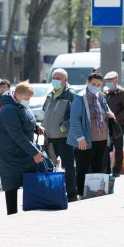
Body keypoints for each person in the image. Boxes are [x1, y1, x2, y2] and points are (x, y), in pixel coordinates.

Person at [0, 82, 45, 214]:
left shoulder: (19, 105)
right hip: (10, 153)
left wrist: (36, 128)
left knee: (28, 181)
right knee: (11, 184)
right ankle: (12, 215)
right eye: (26, 98)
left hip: (22, 151)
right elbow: (17, 135)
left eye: (29, 99)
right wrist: (35, 152)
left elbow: (26, 121)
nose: (28, 102)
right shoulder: (8, 110)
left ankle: (29, 210)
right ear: (17, 95)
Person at [67, 73, 115, 198]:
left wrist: (110, 113)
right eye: (93, 84)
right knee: (82, 168)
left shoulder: (101, 97)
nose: (96, 87)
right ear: (88, 83)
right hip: (87, 140)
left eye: (99, 85)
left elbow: (106, 110)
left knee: (98, 167)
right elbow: (74, 120)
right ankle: (82, 194)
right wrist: (80, 138)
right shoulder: (80, 98)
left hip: (102, 139)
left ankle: (95, 193)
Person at [41, 69, 78, 202]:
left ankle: (72, 194)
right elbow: (46, 112)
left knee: (68, 167)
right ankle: (50, 194)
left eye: (58, 78)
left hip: (65, 138)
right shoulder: (50, 94)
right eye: (54, 77)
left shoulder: (71, 95)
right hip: (50, 137)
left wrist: (64, 127)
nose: (55, 80)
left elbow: (75, 115)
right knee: (49, 167)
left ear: (65, 80)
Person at [103, 71, 124, 176]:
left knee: (118, 146)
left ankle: (117, 169)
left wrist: (115, 116)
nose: (108, 83)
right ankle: (107, 168)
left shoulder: (123, 93)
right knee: (107, 146)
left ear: (116, 80)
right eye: (107, 81)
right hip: (107, 124)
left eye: (110, 81)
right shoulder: (106, 92)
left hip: (119, 124)